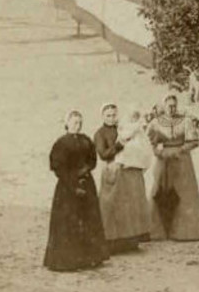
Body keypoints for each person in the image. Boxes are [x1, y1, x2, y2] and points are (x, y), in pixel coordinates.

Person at [44, 110, 110, 272]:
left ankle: (90, 258)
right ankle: (67, 260)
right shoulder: (61, 143)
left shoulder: (86, 140)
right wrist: (73, 181)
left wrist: (85, 170)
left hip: (87, 183)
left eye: (80, 122)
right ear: (67, 124)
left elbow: (93, 160)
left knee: (89, 219)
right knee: (68, 222)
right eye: (74, 123)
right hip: (67, 187)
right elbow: (58, 167)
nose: (77, 126)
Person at [147, 91, 199, 241]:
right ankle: (158, 232)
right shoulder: (155, 122)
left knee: (184, 193)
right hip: (163, 159)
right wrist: (157, 151)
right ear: (163, 106)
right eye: (168, 106)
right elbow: (149, 141)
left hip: (182, 160)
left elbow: (194, 141)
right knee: (159, 192)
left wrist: (181, 149)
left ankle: (184, 232)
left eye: (174, 106)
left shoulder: (185, 121)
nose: (171, 109)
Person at [95, 103, 151, 254]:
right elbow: (103, 154)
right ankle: (112, 242)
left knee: (130, 207)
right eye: (108, 115)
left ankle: (130, 241)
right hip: (112, 170)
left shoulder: (125, 127)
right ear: (102, 116)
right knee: (111, 206)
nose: (112, 118)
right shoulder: (100, 133)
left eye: (114, 115)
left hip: (128, 170)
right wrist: (119, 145)